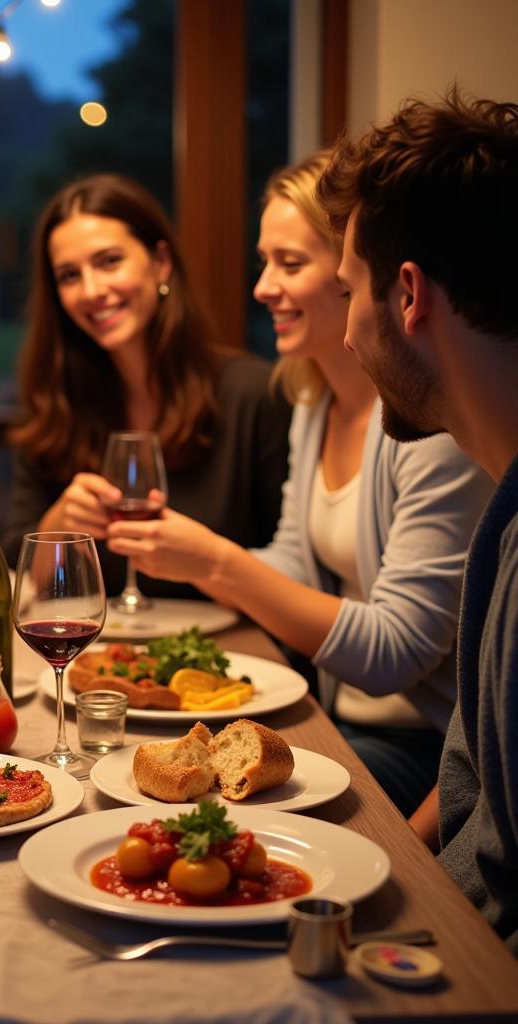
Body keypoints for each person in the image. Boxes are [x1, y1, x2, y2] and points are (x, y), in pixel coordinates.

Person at [105, 152, 493, 817]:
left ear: (353, 274)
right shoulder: (313, 398)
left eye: (290, 263)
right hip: (339, 713)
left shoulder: (426, 423)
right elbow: (294, 560)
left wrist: (214, 561)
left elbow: (394, 652)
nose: (262, 287)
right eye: (264, 262)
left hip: (421, 749)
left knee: (198, 809)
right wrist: (195, 563)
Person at [318, 90, 518, 952]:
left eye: (347, 292)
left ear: (408, 296)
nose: (348, 333)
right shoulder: (504, 517)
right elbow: (474, 802)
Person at [3, 173, 292, 601]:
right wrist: (58, 524)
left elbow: (294, 571)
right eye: (68, 275)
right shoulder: (55, 406)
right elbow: (24, 582)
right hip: (100, 655)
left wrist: (208, 560)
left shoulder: (253, 394)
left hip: (233, 653)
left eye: (108, 261)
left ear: (161, 262)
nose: (92, 290)